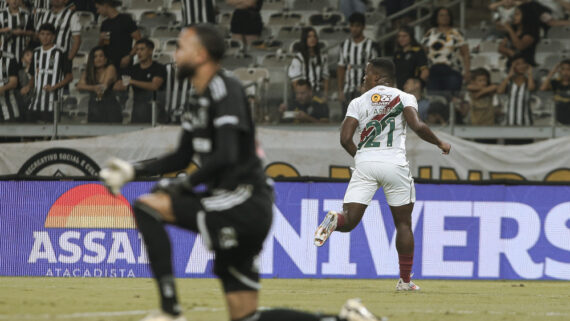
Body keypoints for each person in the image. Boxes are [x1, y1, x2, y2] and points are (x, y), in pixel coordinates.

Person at [99, 23, 381, 321]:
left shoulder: (225, 88)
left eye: (181, 47)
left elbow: (226, 155)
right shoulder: (197, 98)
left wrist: (181, 186)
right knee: (245, 317)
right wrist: (133, 168)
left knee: (148, 207)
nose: (175, 54)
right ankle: (346, 319)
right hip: (234, 204)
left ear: (201, 54)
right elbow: (182, 155)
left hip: (243, 202)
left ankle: (170, 311)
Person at [314, 58, 451, 291]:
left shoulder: (358, 102)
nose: (364, 78)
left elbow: (345, 139)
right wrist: (439, 142)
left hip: (365, 163)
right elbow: (417, 126)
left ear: (377, 77)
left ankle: (335, 219)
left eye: (366, 74)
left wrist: (363, 157)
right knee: (404, 225)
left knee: (350, 219)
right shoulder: (405, 97)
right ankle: (405, 281)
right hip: (394, 164)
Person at [25, 23, 73, 123]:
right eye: (42, 34)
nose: (45, 37)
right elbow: (34, 75)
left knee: (50, 134)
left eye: (48, 34)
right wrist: (28, 87)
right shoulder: (36, 52)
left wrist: (54, 87)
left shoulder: (61, 52)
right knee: (28, 133)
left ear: (53, 36)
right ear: (38, 35)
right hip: (35, 102)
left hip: (52, 102)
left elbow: (69, 77)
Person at [113, 38, 166, 124]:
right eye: (137, 50)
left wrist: (132, 82)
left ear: (150, 50)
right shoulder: (133, 69)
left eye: (142, 49)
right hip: (137, 108)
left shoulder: (159, 68)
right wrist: (120, 84)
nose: (139, 53)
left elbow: (154, 86)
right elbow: (119, 86)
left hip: (154, 107)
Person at [421, 7, 470, 92]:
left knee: (451, 98)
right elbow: (423, 53)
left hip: (452, 71)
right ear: (436, 17)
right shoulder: (430, 32)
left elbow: (465, 53)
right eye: (441, 15)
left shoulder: (456, 33)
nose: (444, 17)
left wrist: (467, 71)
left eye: (447, 15)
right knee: (435, 99)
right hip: (433, 71)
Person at [338, 13, 377, 117]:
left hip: (366, 91)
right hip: (348, 90)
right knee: (347, 121)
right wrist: (340, 90)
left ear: (363, 27)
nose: (354, 29)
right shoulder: (344, 45)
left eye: (357, 26)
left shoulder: (371, 45)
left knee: (366, 121)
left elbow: (375, 69)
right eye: (352, 26)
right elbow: (341, 68)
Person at [76, 46, 122, 123]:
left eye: (101, 56)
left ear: (106, 58)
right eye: (95, 57)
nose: (98, 59)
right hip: (93, 107)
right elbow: (79, 86)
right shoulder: (88, 71)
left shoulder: (110, 68)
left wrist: (88, 87)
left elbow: (103, 86)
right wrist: (94, 88)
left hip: (110, 108)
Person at [95, 0, 141, 71]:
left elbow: (139, 40)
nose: (97, 11)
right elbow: (104, 44)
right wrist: (101, 40)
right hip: (109, 64)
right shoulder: (105, 24)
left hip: (124, 63)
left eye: (98, 8)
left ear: (105, 5)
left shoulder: (126, 20)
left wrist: (129, 56)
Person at [288, 27, 329, 99]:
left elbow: (326, 78)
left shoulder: (322, 58)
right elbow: (295, 82)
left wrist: (325, 95)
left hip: (318, 95)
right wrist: (301, 97)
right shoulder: (298, 58)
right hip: (303, 97)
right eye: (309, 37)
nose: (312, 39)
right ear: (304, 39)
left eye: (314, 36)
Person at [497, 55, 535, 127]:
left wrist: (530, 74)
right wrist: (509, 75)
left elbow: (531, 88)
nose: (521, 66)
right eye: (517, 64)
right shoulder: (508, 82)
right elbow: (499, 91)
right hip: (510, 122)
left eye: (523, 63)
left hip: (526, 123)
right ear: (512, 66)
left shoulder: (529, 81)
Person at [497, 4, 539, 69]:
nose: (514, 17)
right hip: (511, 65)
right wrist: (510, 51)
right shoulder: (513, 30)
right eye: (513, 14)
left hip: (525, 65)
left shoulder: (531, 32)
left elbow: (520, 46)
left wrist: (510, 30)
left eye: (517, 14)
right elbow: (500, 47)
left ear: (526, 15)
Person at [539, 59, 570, 125]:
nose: (565, 72)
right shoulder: (556, 83)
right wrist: (552, 73)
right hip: (558, 121)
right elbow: (543, 88)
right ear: (560, 71)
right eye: (563, 69)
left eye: (568, 69)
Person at [0, 47, 20, 122]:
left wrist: (1, 89)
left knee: (11, 131)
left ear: (0, 42)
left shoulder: (10, 58)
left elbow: (14, 83)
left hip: (8, 105)